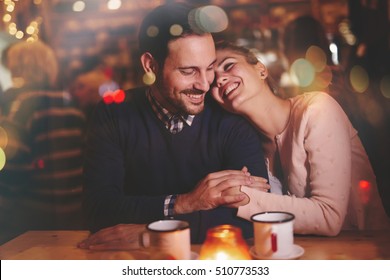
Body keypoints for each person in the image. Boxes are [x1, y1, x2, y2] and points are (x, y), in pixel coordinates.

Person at [80, 3, 269, 249]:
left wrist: (153, 233)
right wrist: (183, 203)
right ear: (150, 65)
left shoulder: (230, 117)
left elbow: (254, 214)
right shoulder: (113, 114)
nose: (204, 84)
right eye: (188, 71)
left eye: (209, 67)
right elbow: (99, 210)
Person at [210, 41, 389, 236]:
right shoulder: (249, 147)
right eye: (212, 79)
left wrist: (244, 198)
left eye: (228, 65)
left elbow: (330, 216)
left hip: (366, 251)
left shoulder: (317, 110)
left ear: (261, 70)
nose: (220, 79)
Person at [0, 40, 86, 244]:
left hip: (34, 214)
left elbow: (15, 169)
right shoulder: (69, 104)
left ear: (18, 67)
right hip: (73, 211)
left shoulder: (23, 105)